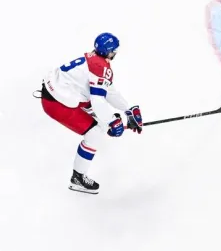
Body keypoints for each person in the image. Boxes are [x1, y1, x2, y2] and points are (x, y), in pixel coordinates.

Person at [38, 32, 143, 194]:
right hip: (56, 103)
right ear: (108, 51)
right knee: (94, 133)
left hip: (59, 94)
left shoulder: (94, 59)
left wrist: (127, 108)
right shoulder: (99, 66)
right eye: (113, 51)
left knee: (101, 123)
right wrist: (111, 122)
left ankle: (103, 124)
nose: (114, 54)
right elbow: (98, 100)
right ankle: (78, 178)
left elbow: (107, 90)